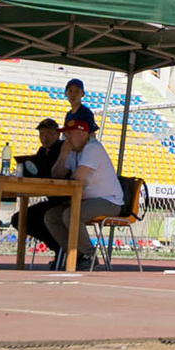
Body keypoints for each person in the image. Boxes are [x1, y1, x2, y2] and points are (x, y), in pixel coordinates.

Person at [19, 114, 123, 268]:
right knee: (51, 217)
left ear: (82, 134)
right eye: (65, 134)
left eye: (70, 134)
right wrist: (63, 154)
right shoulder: (73, 151)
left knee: (70, 214)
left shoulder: (92, 148)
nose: (66, 138)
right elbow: (57, 174)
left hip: (108, 200)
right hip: (85, 200)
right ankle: (75, 254)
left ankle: (89, 255)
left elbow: (79, 178)